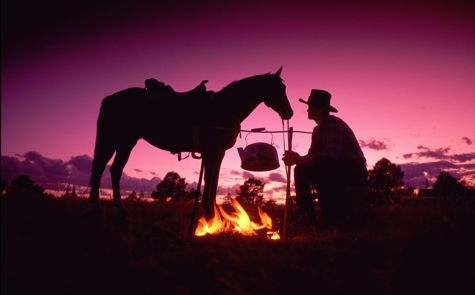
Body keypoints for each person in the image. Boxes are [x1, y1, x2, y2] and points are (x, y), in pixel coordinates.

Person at [283, 89, 367, 229]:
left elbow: (330, 156)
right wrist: (298, 159)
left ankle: (326, 219)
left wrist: (299, 159)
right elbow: (313, 157)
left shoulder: (333, 124)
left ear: (318, 109)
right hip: (336, 168)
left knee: (321, 167)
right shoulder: (318, 130)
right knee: (302, 169)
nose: (308, 110)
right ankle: (308, 219)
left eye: (310, 107)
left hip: (352, 170)